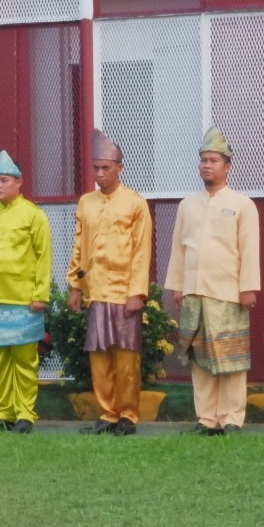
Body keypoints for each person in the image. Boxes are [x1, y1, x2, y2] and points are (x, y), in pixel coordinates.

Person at [164, 126, 260, 436]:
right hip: (194, 293)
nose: (207, 165)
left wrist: (248, 289)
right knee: (200, 360)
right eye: (204, 160)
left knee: (230, 359)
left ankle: (231, 419)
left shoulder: (243, 204)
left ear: (227, 166)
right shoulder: (186, 205)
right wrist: (177, 286)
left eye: (214, 160)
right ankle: (206, 419)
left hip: (228, 293)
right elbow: (179, 248)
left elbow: (249, 250)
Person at [68, 130, 153, 436]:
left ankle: (128, 415)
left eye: (106, 168)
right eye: (96, 168)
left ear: (120, 167)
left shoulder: (135, 203)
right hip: (96, 291)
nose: (100, 174)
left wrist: (136, 292)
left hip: (124, 292)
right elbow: (79, 245)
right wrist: (75, 285)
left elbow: (142, 251)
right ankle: (107, 414)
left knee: (127, 357)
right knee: (99, 356)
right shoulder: (86, 202)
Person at [0, 150, 52, 433]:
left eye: (3, 180)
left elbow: (43, 257)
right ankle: (3, 413)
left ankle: (25, 415)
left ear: (19, 182)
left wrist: (41, 294)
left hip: (24, 301)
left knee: (25, 360)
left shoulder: (34, 215)